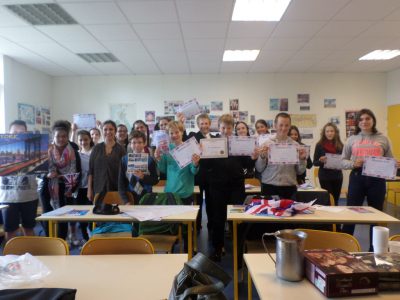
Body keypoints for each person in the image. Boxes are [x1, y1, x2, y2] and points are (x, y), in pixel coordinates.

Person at [341, 109, 399, 249]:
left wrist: (395, 164)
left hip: (377, 180)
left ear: (373, 120)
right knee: (351, 213)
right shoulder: (351, 139)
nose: (364, 121)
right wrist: (353, 163)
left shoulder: (383, 139)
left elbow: (390, 159)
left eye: (367, 118)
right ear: (357, 122)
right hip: (357, 177)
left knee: (376, 214)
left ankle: (375, 249)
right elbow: (342, 161)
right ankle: (343, 246)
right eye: (361, 119)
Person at [203, 114, 257, 261]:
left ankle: (238, 249)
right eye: (223, 127)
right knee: (217, 219)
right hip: (217, 187)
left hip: (236, 187)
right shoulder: (211, 143)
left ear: (232, 128)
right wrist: (203, 154)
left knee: (237, 219)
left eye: (228, 127)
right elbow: (206, 166)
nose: (225, 130)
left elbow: (248, 164)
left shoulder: (239, 143)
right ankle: (217, 249)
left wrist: (252, 157)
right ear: (218, 128)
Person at [0, 120, 38, 241]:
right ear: (8, 133)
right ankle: (10, 258)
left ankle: (31, 257)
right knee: (10, 231)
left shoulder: (35, 148)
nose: (18, 135)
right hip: (8, 198)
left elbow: (42, 171)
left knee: (29, 229)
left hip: (29, 196)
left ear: (27, 133)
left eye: (22, 132)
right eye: (15, 132)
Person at [256, 113, 307, 199]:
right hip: (269, 187)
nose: (283, 128)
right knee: (269, 212)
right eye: (281, 125)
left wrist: (302, 160)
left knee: (289, 212)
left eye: (286, 125)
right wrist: (262, 157)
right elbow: (259, 168)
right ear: (275, 125)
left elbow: (300, 171)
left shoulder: (296, 145)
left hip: (289, 188)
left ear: (289, 126)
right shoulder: (266, 144)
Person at [48, 120, 81, 240]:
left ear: (68, 137)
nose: (61, 139)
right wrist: (50, 173)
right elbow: (45, 169)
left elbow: (75, 169)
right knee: (55, 214)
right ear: (53, 136)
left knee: (70, 212)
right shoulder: (48, 150)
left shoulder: (73, 149)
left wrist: (70, 187)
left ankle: (69, 235)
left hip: (70, 185)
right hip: (53, 186)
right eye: (58, 136)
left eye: (64, 136)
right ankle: (59, 239)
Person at [155, 121, 200, 205]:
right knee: (171, 218)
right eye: (171, 133)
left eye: (177, 132)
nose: (174, 135)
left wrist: (195, 163)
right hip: (170, 192)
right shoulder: (166, 149)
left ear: (182, 132)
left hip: (185, 192)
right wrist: (158, 159)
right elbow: (163, 170)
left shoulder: (189, 148)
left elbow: (194, 171)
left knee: (185, 217)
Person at [187, 114, 214, 232]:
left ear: (210, 124)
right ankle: (197, 226)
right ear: (198, 125)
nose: (204, 126)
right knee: (197, 202)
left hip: (212, 176)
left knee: (211, 202)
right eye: (201, 124)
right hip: (198, 175)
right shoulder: (193, 137)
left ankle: (211, 225)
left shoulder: (215, 138)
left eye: (206, 123)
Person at [88, 120, 126, 201]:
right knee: (98, 212)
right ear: (102, 131)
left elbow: (124, 171)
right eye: (105, 129)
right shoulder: (96, 148)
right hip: (98, 188)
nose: (108, 132)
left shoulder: (121, 149)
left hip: (116, 188)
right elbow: (90, 171)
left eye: (111, 129)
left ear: (115, 131)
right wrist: (89, 190)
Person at [119, 130, 159, 204]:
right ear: (130, 144)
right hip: (130, 196)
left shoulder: (150, 160)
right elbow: (121, 182)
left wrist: (143, 177)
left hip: (147, 196)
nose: (137, 145)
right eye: (134, 142)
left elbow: (155, 180)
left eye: (140, 142)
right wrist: (126, 200)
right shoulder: (124, 160)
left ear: (144, 143)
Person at [313, 123, 344, 205]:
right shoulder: (319, 145)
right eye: (327, 131)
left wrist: (344, 162)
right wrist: (320, 160)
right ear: (324, 133)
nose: (329, 133)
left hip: (337, 176)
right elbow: (314, 162)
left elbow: (344, 161)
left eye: (331, 131)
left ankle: (335, 217)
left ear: (335, 132)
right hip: (325, 177)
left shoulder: (341, 145)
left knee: (336, 200)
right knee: (328, 199)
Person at [73, 130, 94, 243]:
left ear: (90, 139)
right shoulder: (76, 154)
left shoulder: (93, 152)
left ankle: (91, 236)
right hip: (78, 189)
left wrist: (90, 189)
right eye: (80, 140)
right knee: (80, 214)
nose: (83, 142)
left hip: (90, 188)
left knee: (90, 213)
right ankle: (85, 238)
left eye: (85, 139)